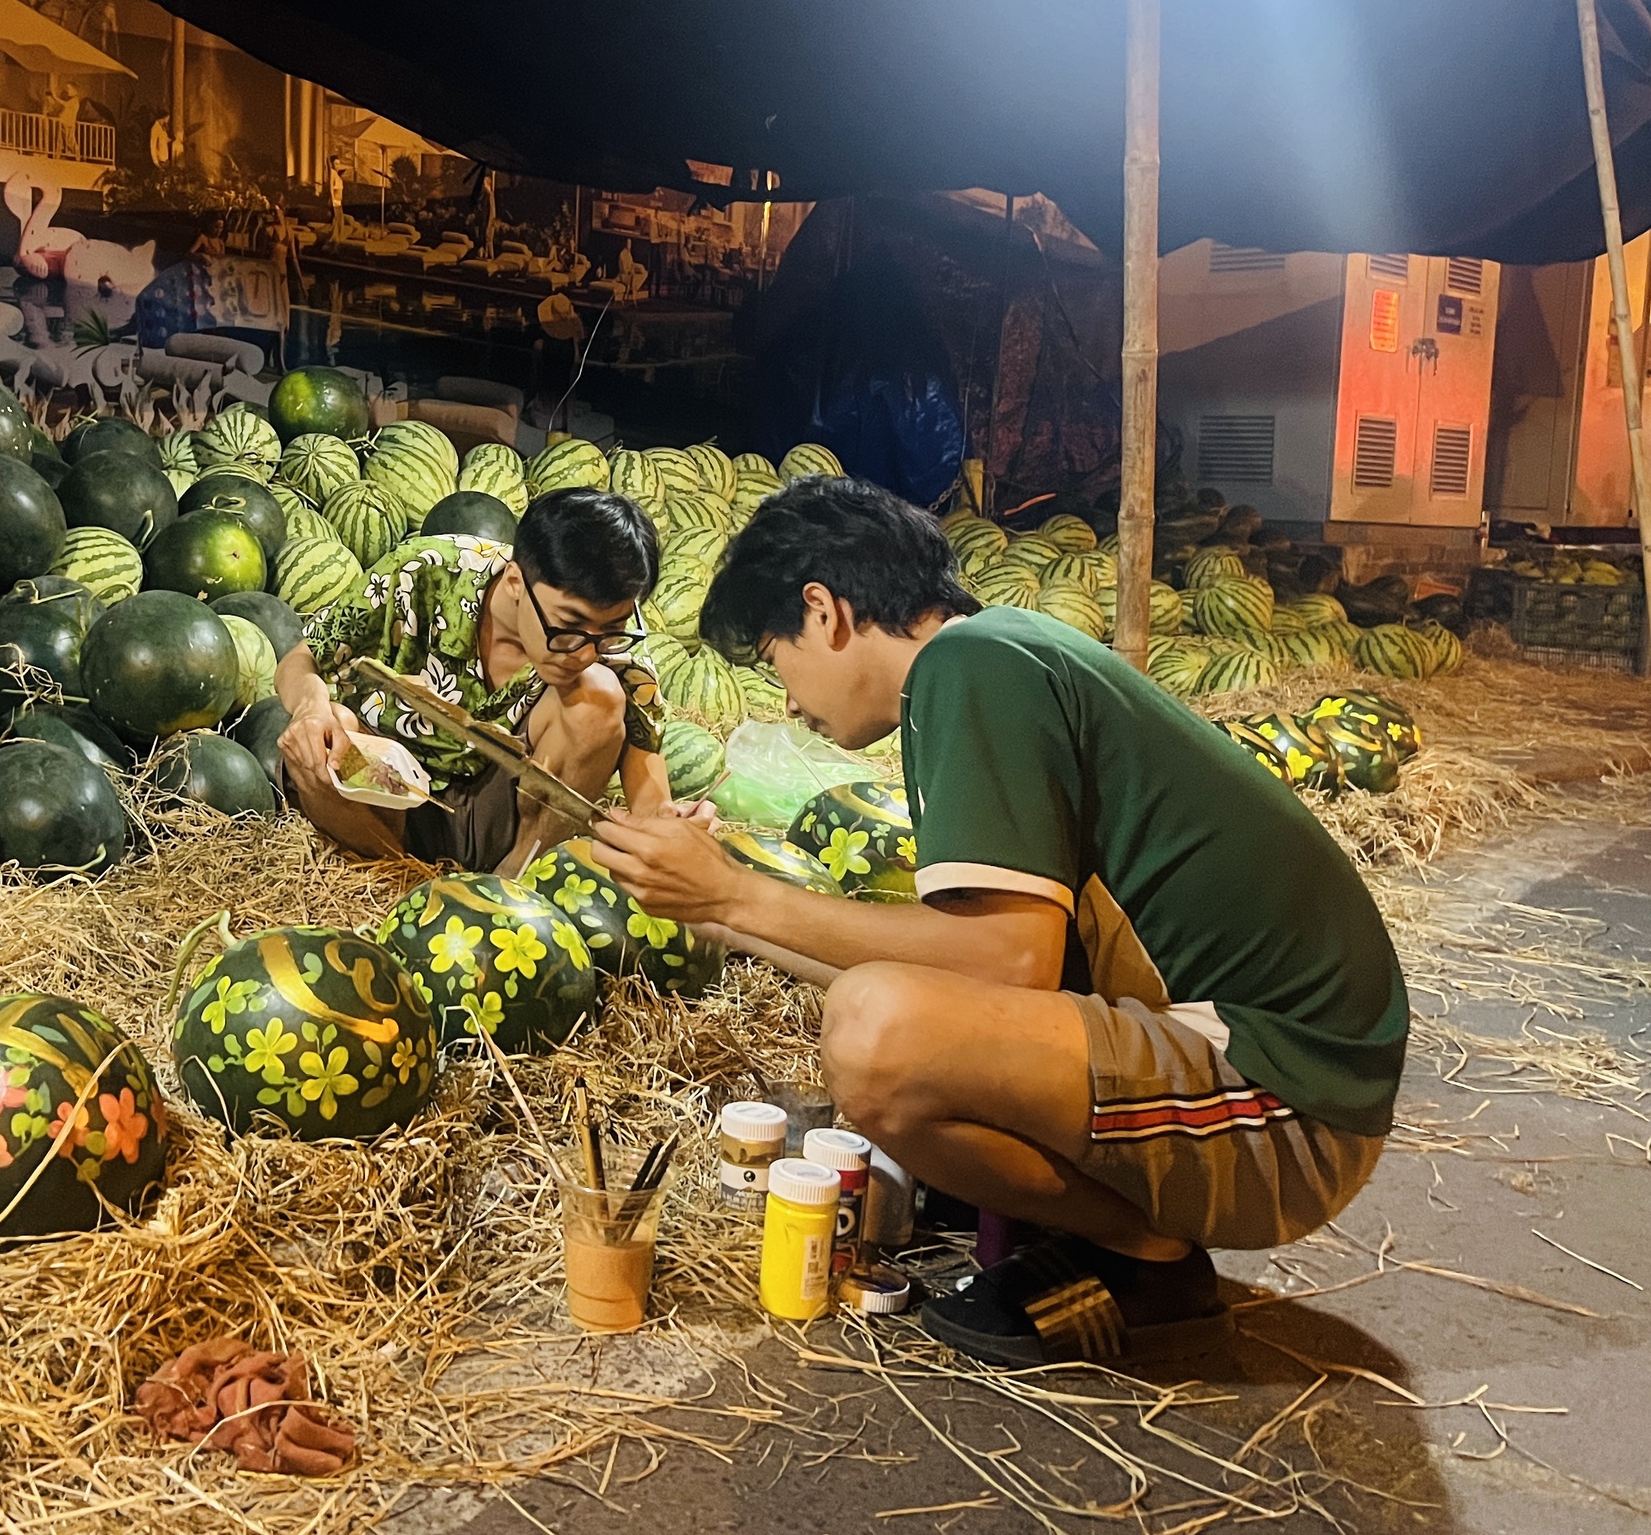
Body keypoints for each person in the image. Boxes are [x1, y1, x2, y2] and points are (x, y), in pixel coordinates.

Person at [591, 476, 1404, 1365]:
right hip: (1266, 1073)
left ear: (823, 611)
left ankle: (1145, 1261)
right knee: (886, 1017)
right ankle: (1104, 1234)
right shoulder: (994, 655)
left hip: (1284, 1103)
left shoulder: (970, 666)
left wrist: (740, 894)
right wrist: (719, 913)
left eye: (773, 653)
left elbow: (1004, 964)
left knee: (873, 1036)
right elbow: (974, 966)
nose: (786, 698)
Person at [277, 489, 679, 874]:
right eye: (569, 627)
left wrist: (673, 825)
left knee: (599, 697)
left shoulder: (614, 646)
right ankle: (401, 879)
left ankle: (513, 878)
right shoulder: (423, 570)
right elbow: (300, 660)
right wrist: (311, 709)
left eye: (610, 629)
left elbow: (651, 798)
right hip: (383, 796)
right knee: (324, 741)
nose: (587, 651)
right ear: (515, 582)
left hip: (500, 817)